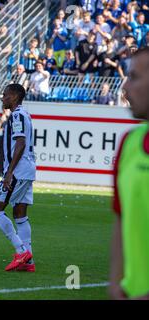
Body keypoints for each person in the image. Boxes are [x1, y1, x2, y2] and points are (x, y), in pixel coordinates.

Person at [109, 47, 149, 300]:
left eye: (134, 77)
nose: (125, 88)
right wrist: (115, 284)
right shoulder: (129, 143)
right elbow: (122, 219)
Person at [0, 83, 35, 272]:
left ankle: (21, 251)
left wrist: (8, 173)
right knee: (20, 214)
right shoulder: (25, 114)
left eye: (5, 95)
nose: (3, 98)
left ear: (15, 96)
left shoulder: (16, 115)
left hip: (17, 171)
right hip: (27, 170)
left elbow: (21, 143)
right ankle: (28, 263)